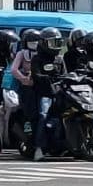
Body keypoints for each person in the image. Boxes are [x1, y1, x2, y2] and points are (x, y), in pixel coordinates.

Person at [29, 27, 66, 161]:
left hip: (60, 93)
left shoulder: (60, 59)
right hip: (45, 94)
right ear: (44, 43)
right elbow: (36, 74)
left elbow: (65, 74)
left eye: (58, 42)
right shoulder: (37, 59)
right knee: (43, 115)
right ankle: (39, 148)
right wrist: (43, 77)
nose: (56, 46)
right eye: (53, 43)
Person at [10, 29, 41, 141]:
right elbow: (14, 69)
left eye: (37, 41)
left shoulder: (41, 54)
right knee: (29, 113)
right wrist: (23, 79)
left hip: (39, 87)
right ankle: (28, 135)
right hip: (26, 88)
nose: (35, 43)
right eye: (32, 41)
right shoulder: (22, 54)